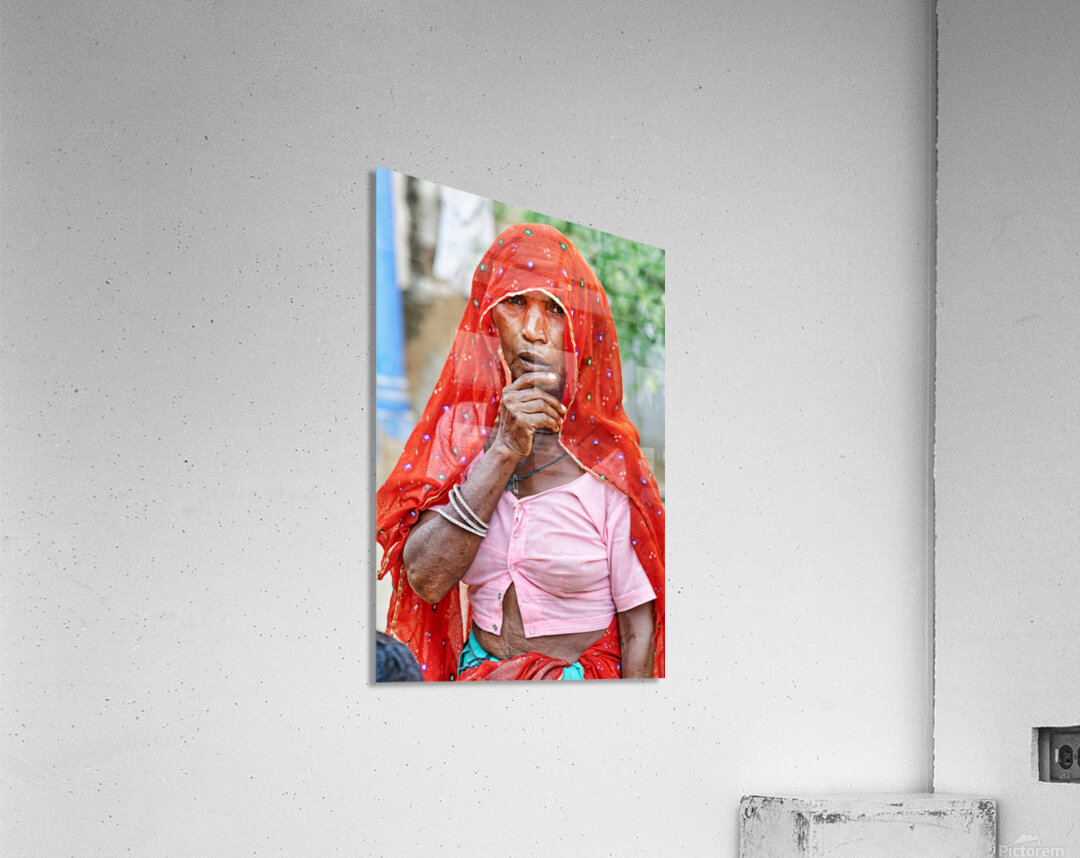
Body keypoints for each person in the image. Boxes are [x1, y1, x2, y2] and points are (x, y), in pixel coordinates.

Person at [376, 223, 665, 680]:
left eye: (555, 309)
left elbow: (639, 632)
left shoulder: (611, 469)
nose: (532, 331)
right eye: (514, 304)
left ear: (581, 334)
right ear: (489, 323)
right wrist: (503, 451)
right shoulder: (461, 443)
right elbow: (426, 580)